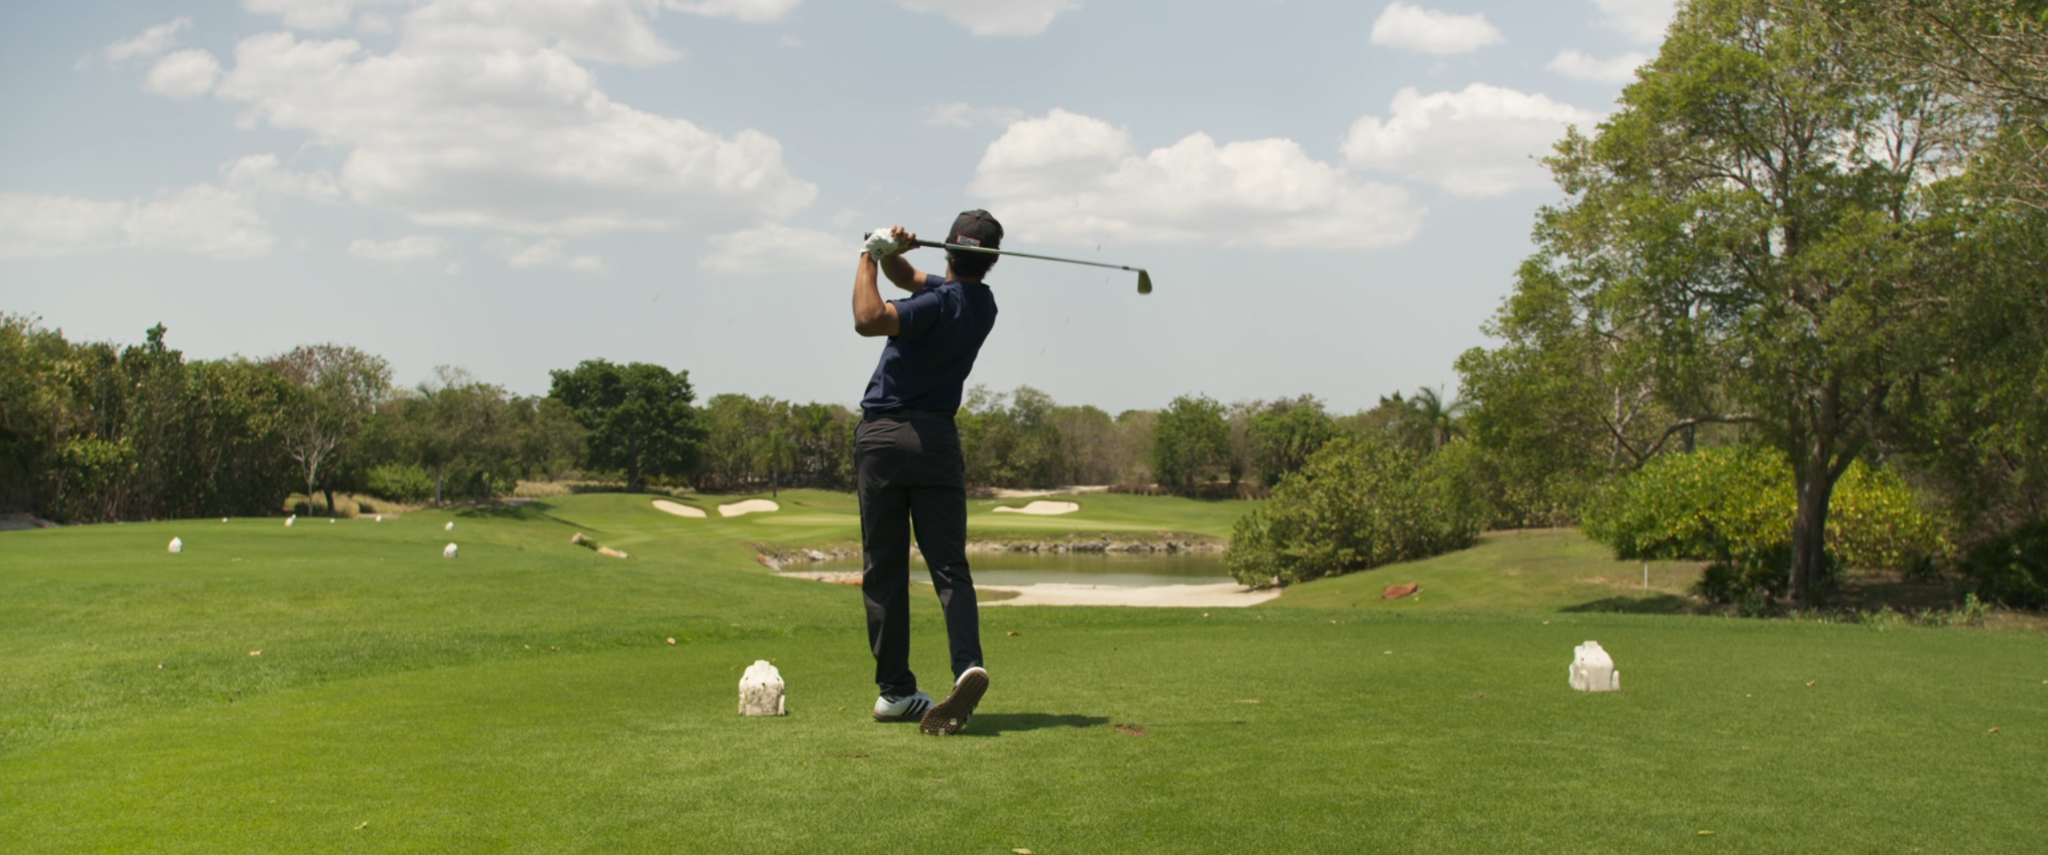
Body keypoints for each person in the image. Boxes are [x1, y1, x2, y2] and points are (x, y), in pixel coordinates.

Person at [850, 210, 1002, 736]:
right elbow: (907, 280)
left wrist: (867, 255)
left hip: (885, 437)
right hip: (937, 440)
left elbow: (868, 318)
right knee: (949, 566)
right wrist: (893, 255)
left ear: (949, 252)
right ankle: (968, 666)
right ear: (993, 259)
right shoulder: (981, 303)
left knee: (885, 570)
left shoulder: (936, 304)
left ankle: (895, 692)